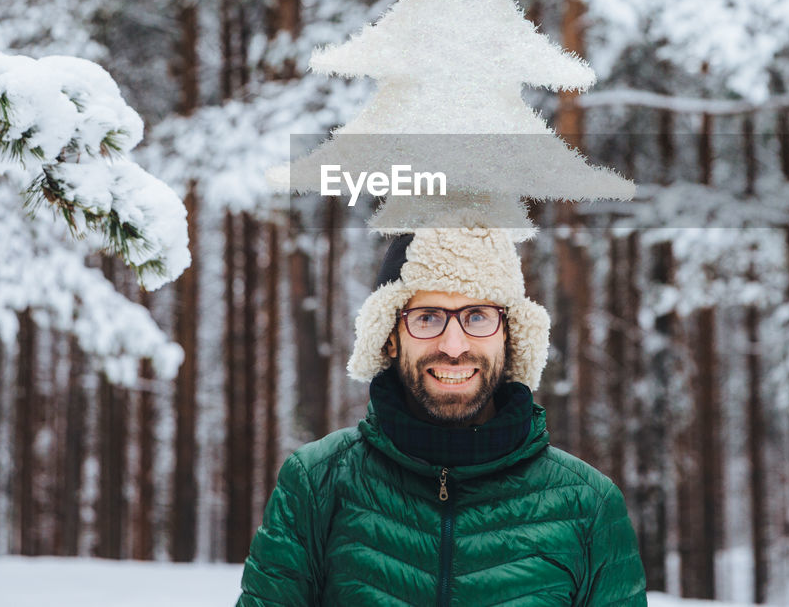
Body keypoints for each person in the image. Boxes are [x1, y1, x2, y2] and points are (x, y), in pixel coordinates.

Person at [236, 225, 647, 606]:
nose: (453, 345)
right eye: (428, 317)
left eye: (478, 316)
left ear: (510, 334)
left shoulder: (588, 504)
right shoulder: (315, 484)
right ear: (391, 337)